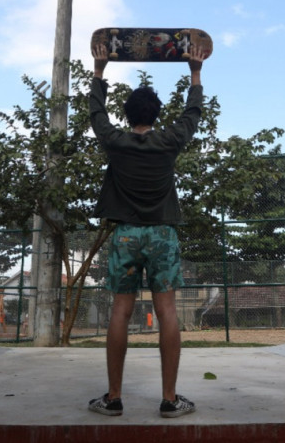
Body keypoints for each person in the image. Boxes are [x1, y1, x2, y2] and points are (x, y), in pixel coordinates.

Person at [86, 41, 208, 419]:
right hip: (161, 236)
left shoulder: (115, 141)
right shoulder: (169, 141)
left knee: (120, 311)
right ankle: (169, 400)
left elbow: (96, 113)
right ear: (156, 114)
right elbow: (192, 113)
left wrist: (99, 70)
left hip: (125, 235)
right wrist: (195, 73)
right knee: (167, 311)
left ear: (127, 114)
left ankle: (114, 398)